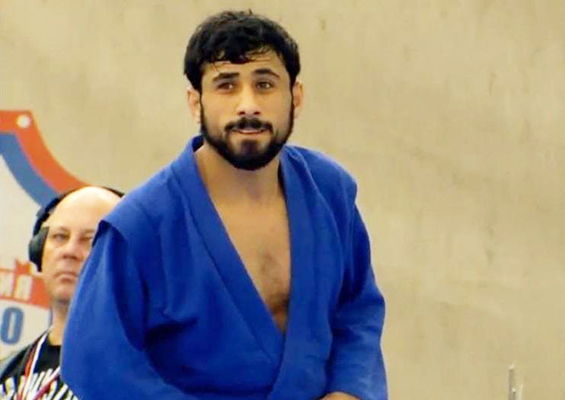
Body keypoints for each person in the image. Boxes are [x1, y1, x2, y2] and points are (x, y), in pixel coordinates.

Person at [62, 10, 386, 400]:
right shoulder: (142, 226)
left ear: (295, 98)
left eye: (265, 84)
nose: (248, 105)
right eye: (227, 85)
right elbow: (96, 363)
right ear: (195, 102)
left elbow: (358, 310)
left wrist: (348, 391)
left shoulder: (329, 192)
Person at [0, 186, 122, 400]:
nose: (69, 250)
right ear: (38, 250)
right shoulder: (8, 370)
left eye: (90, 240)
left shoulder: (145, 375)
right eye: (60, 236)